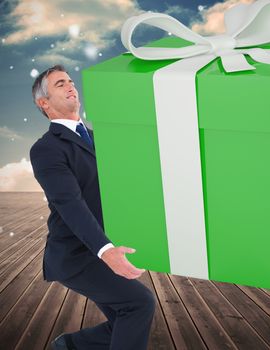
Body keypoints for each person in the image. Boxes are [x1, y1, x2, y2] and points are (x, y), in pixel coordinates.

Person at [30, 65, 156, 350]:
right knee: (139, 304)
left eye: (71, 81)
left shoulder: (100, 139)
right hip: (76, 255)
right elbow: (69, 203)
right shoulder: (46, 148)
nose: (71, 86)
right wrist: (105, 250)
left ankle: (70, 345)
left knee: (127, 316)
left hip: (101, 246)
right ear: (44, 103)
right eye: (60, 83)